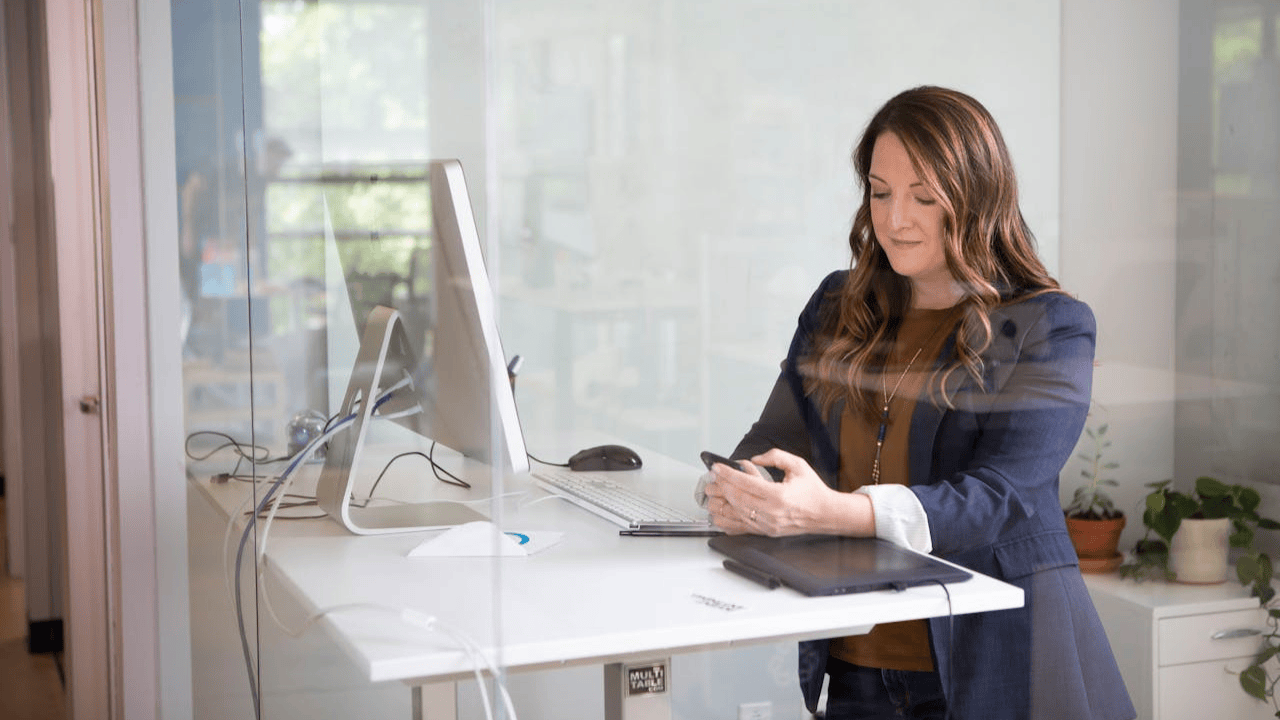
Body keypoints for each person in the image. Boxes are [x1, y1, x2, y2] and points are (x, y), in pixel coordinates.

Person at [700, 86, 1136, 720]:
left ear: (977, 198)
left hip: (1002, 663)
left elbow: (1001, 498)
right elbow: (776, 436)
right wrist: (746, 492)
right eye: (880, 192)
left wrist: (832, 511)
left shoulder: (1051, 326)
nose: (895, 218)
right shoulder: (838, 304)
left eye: (924, 197)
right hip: (857, 667)